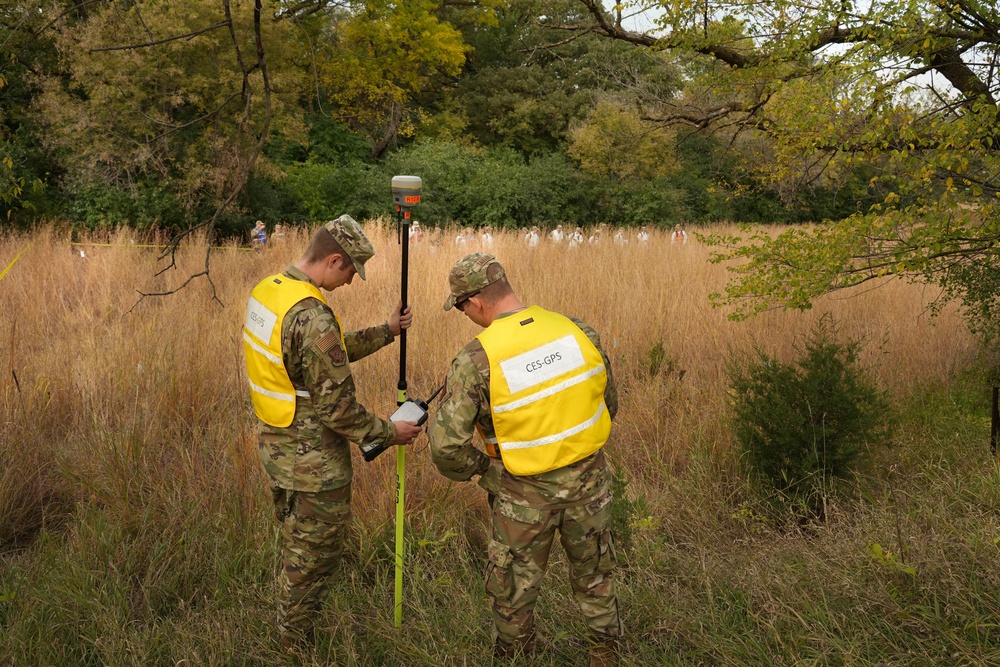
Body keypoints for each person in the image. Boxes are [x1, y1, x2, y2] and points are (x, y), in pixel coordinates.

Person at [428, 253, 622, 666]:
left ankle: (516, 659)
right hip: (590, 485)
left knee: (513, 590)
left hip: (521, 497)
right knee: (596, 576)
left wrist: (485, 471)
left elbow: (445, 448)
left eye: (460, 306)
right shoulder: (576, 330)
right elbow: (609, 402)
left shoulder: (477, 359)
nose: (464, 314)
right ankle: (605, 655)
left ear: (476, 302)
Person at [241, 215, 423, 652]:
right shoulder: (313, 315)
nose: (351, 282)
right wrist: (388, 431)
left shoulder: (270, 292)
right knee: (314, 561)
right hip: (314, 467)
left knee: (295, 548)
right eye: (350, 272)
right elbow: (338, 410)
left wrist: (386, 332)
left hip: (278, 450)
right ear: (334, 259)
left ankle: (289, 626)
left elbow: (320, 356)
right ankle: (292, 647)